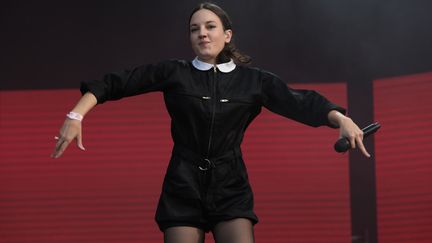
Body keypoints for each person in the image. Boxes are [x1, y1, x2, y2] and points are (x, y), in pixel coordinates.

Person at [51, 2, 370, 243]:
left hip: (230, 187)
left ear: (227, 34)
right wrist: (75, 115)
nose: (202, 33)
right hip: (182, 187)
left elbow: (300, 101)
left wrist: (340, 118)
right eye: (194, 28)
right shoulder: (174, 72)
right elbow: (114, 83)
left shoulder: (253, 81)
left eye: (210, 26)